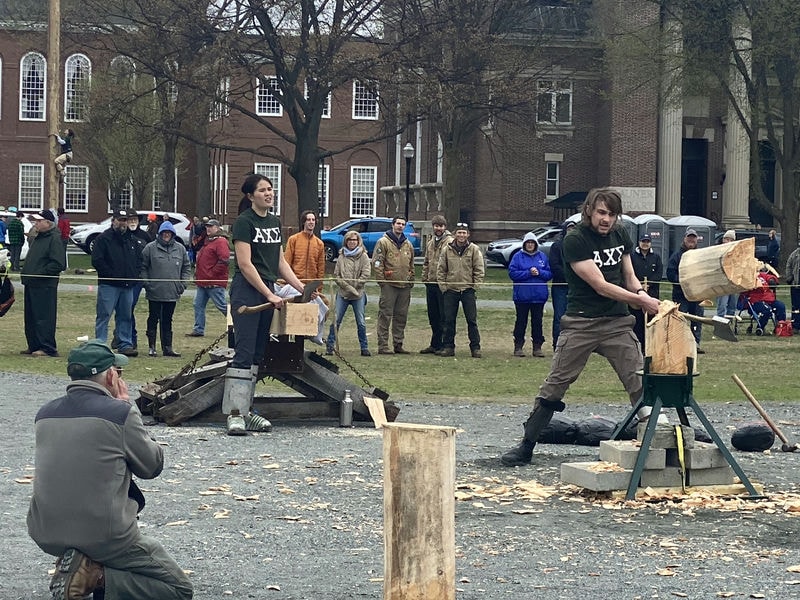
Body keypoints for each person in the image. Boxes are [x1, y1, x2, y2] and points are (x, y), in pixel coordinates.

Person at [501, 188, 661, 467]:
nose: (606, 219)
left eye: (612, 214)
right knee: (555, 384)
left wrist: (643, 295)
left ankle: (657, 443)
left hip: (616, 323)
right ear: (589, 210)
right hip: (581, 323)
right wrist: (638, 300)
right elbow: (600, 285)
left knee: (640, 380)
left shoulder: (621, 234)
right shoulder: (574, 240)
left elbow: (629, 275)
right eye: (601, 212)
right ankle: (526, 445)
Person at [27, 339, 193, 600]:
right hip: (106, 535)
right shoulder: (119, 413)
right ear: (112, 375)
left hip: (45, 531)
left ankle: (81, 565)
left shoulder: (44, 414)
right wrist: (129, 410)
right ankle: (95, 576)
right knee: (178, 589)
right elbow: (152, 466)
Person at [226, 173, 309, 435]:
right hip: (246, 293)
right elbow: (245, 264)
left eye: (271, 189)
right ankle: (234, 414)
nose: (269, 193)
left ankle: (247, 410)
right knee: (244, 351)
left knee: (258, 354)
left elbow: (279, 262)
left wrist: (302, 288)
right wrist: (269, 294)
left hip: (267, 291)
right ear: (251, 196)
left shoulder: (274, 222)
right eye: (263, 190)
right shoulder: (243, 222)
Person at [92, 209, 141, 357]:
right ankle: (100, 343)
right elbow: (97, 261)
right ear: (114, 221)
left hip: (127, 285)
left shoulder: (131, 239)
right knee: (104, 314)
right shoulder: (103, 239)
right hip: (109, 285)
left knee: (125, 315)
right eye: (120, 220)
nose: (123, 223)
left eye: (125, 220)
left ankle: (125, 344)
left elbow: (138, 260)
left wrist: (134, 274)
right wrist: (110, 274)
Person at [140, 221, 190, 357]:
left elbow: (186, 267)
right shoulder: (150, 248)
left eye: (169, 233)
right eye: (164, 233)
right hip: (154, 292)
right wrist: (147, 283)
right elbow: (143, 267)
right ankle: (152, 347)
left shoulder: (180, 248)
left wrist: (183, 284)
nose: (166, 235)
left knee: (167, 320)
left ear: (172, 234)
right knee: (153, 318)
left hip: (172, 292)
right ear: (160, 234)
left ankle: (167, 347)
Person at [21, 209, 66, 358]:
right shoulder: (37, 238)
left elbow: (58, 263)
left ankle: (47, 347)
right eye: (36, 221)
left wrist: (39, 274)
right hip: (31, 283)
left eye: (39, 221)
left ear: (48, 223)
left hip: (45, 285)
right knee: (31, 317)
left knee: (43, 318)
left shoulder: (54, 238)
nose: (36, 223)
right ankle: (33, 344)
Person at [436, 222, 485, 358]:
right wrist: (443, 287)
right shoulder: (447, 249)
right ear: (454, 234)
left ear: (468, 234)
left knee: (472, 320)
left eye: (464, 233)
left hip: (468, 290)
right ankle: (448, 347)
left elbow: (479, 269)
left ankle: (475, 347)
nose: (461, 235)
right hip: (451, 290)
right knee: (449, 320)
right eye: (459, 232)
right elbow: (441, 269)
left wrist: (475, 286)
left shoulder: (474, 249)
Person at [372, 215, 416, 354]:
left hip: (404, 286)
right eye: (398, 223)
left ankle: (398, 344)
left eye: (403, 224)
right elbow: (377, 263)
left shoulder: (407, 244)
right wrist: (382, 282)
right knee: (385, 315)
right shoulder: (383, 242)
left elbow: (412, 264)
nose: (400, 226)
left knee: (401, 316)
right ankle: (383, 345)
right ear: (393, 225)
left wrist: (411, 279)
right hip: (389, 285)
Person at [325, 230, 371, 356]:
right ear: (346, 241)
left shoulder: (364, 256)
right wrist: (349, 288)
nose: (352, 242)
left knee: (361, 321)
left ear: (358, 241)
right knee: (336, 320)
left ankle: (364, 347)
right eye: (349, 240)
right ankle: (330, 346)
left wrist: (356, 288)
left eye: (354, 240)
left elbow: (366, 274)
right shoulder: (341, 256)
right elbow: (337, 275)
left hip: (359, 294)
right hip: (343, 293)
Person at [508, 232, 552, 357]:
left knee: (537, 322)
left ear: (536, 244)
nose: (530, 245)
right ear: (524, 244)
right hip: (522, 296)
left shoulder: (542, 256)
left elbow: (549, 274)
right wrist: (528, 273)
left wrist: (539, 273)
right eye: (528, 243)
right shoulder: (517, 256)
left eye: (532, 243)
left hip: (539, 297)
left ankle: (537, 347)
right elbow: (512, 274)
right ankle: (518, 346)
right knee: (521, 321)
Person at [187, 219, 230, 337]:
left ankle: (238, 324)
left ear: (218, 228)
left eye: (211, 226)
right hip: (203, 282)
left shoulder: (220, 241)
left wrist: (211, 274)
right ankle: (198, 329)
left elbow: (224, 261)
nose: (208, 229)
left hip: (214, 282)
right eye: (207, 227)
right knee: (198, 305)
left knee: (222, 306)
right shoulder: (209, 241)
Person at [667, 228, 704, 353]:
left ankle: (695, 344)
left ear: (696, 240)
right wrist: (683, 282)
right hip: (680, 295)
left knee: (697, 319)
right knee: (680, 319)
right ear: (684, 239)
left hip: (697, 295)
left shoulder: (700, 256)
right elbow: (670, 274)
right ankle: (679, 344)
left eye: (693, 238)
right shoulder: (676, 256)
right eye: (689, 238)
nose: (691, 240)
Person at [419, 215, 452, 354]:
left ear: (445, 227)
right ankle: (435, 343)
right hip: (431, 283)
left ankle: (445, 344)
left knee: (444, 316)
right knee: (433, 316)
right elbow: (426, 262)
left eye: (441, 226)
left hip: (443, 284)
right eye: (436, 226)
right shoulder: (430, 242)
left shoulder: (450, 242)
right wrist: (425, 278)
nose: (439, 228)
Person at [630, 233, 663, 352]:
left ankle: (649, 346)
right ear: (639, 242)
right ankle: (637, 346)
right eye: (643, 241)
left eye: (647, 241)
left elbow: (659, 273)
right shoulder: (632, 256)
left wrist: (649, 284)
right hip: (636, 295)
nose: (645, 244)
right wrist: (639, 286)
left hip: (652, 294)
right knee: (637, 322)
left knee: (651, 322)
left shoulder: (656, 257)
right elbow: (630, 273)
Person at [549, 220, 575, 350]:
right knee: (559, 316)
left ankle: (571, 345)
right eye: (569, 228)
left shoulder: (578, 246)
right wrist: (569, 276)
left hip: (575, 287)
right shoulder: (556, 246)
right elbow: (554, 266)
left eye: (573, 228)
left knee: (575, 317)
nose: (571, 230)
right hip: (560, 286)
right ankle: (557, 344)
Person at [284, 210, 325, 284]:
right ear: (303, 222)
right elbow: (287, 262)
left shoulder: (319, 243)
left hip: (311, 285)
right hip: (295, 283)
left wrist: (318, 287)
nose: (311, 222)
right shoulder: (293, 239)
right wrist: (286, 282)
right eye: (308, 220)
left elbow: (320, 268)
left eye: (313, 220)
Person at [745, 267, 786, 332]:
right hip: (756, 301)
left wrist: (772, 280)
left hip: (769, 300)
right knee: (767, 310)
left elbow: (768, 276)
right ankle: (760, 327)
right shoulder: (748, 277)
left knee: (781, 306)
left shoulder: (761, 275)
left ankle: (781, 327)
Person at [715, 230, 738, 320]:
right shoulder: (718, 251)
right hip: (722, 282)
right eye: (726, 239)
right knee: (722, 306)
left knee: (732, 307)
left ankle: (729, 325)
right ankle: (720, 324)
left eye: (730, 239)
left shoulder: (737, 252)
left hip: (733, 283)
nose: (727, 241)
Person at [786, 245, 800, 332]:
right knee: (796, 306)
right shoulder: (795, 254)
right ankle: (795, 326)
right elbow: (789, 265)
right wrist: (789, 278)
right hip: (796, 285)